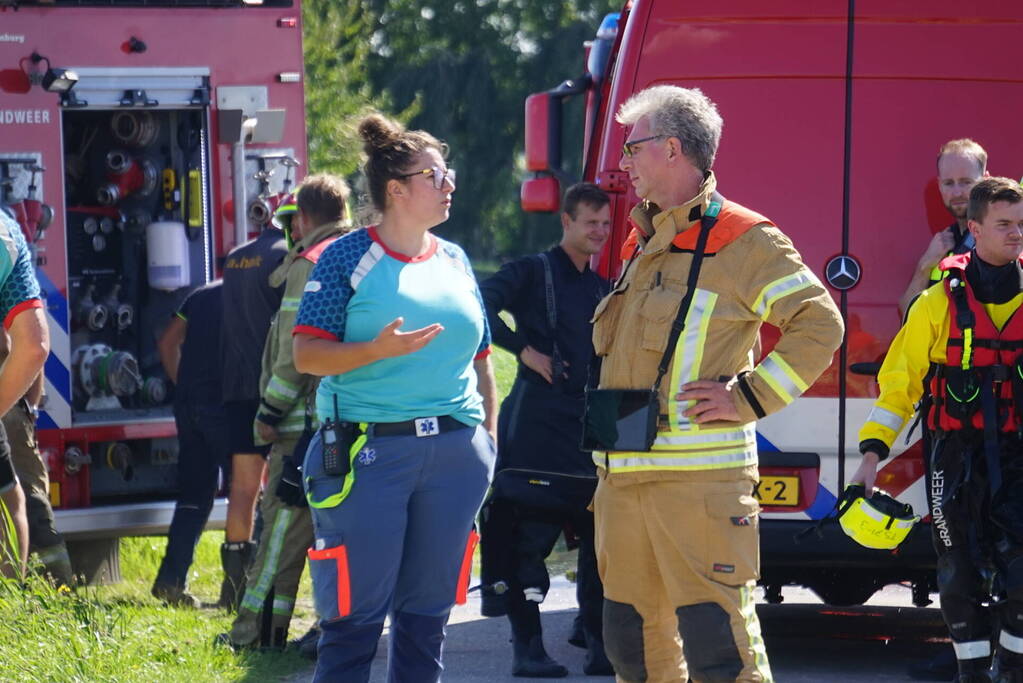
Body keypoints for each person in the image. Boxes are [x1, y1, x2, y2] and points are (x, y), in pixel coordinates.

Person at [592, 85, 844, 683]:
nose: (623, 162)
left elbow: (820, 323)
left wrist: (747, 397)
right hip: (624, 479)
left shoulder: (744, 239)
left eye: (633, 147)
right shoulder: (643, 239)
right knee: (631, 646)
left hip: (700, 485)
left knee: (718, 651)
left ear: (672, 148)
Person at [293, 113, 497, 682]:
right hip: (367, 456)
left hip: (456, 454)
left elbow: (482, 360)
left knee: (428, 620)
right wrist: (377, 351)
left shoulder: (455, 259)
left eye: (447, 171)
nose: (448, 183)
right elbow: (306, 356)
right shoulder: (344, 258)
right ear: (397, 190)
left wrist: (486, 445)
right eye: (435, 174)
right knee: (354, 622)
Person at [852, 178, 1023, 683]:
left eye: (1021, 224)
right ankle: (971, 674)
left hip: (1018, 453)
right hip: (955, 456)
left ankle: (1011, 669)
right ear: (974, 229)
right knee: (958, 573)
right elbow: (899, 385)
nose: (1017, 234)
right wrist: (870, 458)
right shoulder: (936, 303)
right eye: (1004, 225)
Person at [479, 182, 612, 677]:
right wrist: (522, 350)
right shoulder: (532, 272)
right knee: (528, 545)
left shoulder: (603, 289)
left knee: (602, 546)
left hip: (588, 431)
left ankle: (599, 645)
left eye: (604, 223)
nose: (598, 231)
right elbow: (477, 303)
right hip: (535, 429)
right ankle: (528, 650)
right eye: (589, 223)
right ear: (566, 221)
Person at [225, 174, 352, 651]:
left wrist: (269, 410)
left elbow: (294, 355)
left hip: (302, 428)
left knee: (280, 529)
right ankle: (277, 633)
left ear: (302, 219)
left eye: (291, 222)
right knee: (318, 533)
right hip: (339, 424)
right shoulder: (357, 255)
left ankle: (251, 636)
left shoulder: (310, 264)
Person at [219, 211, 287, 608]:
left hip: (235, 387)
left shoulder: (236, 257)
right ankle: (268, 581)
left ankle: (232, 589)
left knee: (242, 490)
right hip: (272, 388)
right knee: (277, 490)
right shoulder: (284, 256)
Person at [151, 279, 230, 607]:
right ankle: (238, 593)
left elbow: (168, 342)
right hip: (226, 403)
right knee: (245, 493)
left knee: (194, 497)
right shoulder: (253, 292)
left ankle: (170, 581)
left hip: (190, 403)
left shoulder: (200, 294)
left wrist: (183, 384)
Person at [0, 211, 49, 579]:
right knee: (12, 496)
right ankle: (10, 607)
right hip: (11, 400)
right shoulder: (7, 232)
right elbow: (34, 347)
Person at [897, 139, 989, 318]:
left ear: (985, 181)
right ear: (939, 185)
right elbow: (906, 310)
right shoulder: (944, 243)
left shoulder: (998, 241)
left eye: (966, 182)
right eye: (949, 183)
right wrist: (925, 266)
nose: (956, 192)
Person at [1, 369, 73, 587]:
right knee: (26, 502)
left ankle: (56, 585)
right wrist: (29, 408)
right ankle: (57, 587)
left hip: (10, 409)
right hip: (12, 408)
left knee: (25, 503)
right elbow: (35, 349)